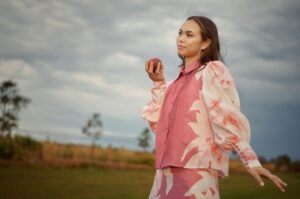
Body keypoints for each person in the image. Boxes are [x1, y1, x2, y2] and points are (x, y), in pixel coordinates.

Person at [141, 16, 287, 199]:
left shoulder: (212, 71)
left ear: (206, 43)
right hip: (164, 174)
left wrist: (252, 161)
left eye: (189, 34)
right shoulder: (173, 85)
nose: (181, 38)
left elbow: (228, 118)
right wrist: (158, 83)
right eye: (180, 33)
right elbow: (159, 124)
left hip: (196, 175)